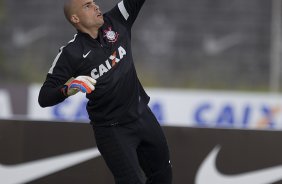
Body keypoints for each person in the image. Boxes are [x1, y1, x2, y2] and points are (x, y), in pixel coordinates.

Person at [38, 0, 172, 183]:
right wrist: (68, 89)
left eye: (94, 2)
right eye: (87, 5)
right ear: (75, 18)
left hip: (142, 116)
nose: (95, 6)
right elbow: (44, 97)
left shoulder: (117, 19)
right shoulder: (71, 53)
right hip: (112, 131)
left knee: (163, 175)